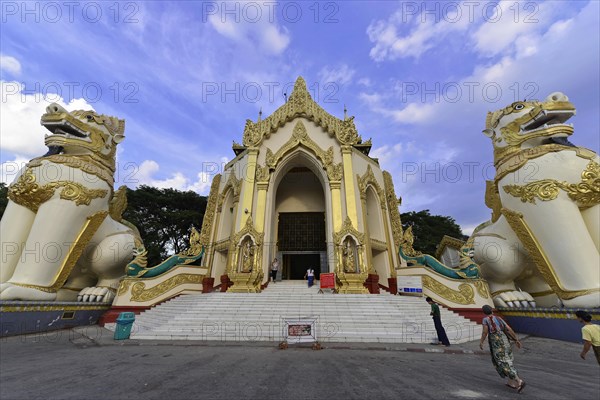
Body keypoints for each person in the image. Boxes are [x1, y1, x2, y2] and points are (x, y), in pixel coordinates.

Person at [479, 305, 526, 393]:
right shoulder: (499, 318)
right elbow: (508, 329)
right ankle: (510, 382)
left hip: (496, 342)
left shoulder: (485, 319)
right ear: (492, 310)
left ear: (484, 312)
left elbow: (485, 332)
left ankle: (519, 381)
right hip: (504, 339)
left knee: (501, 361)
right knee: (507, 359)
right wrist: (516, 340)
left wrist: (481, 341)